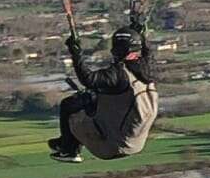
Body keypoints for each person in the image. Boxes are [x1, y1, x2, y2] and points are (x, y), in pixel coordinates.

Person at [49, 18, 158, 164]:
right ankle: (66, 140)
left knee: (70, 105)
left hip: (110, 146)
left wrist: (76, 54)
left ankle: (69, 150)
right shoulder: (146, 68)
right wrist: (139, 35)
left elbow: (88, 79)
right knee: (91, 98)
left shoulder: (119, 74)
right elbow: (146, 51)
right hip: (134, 143)